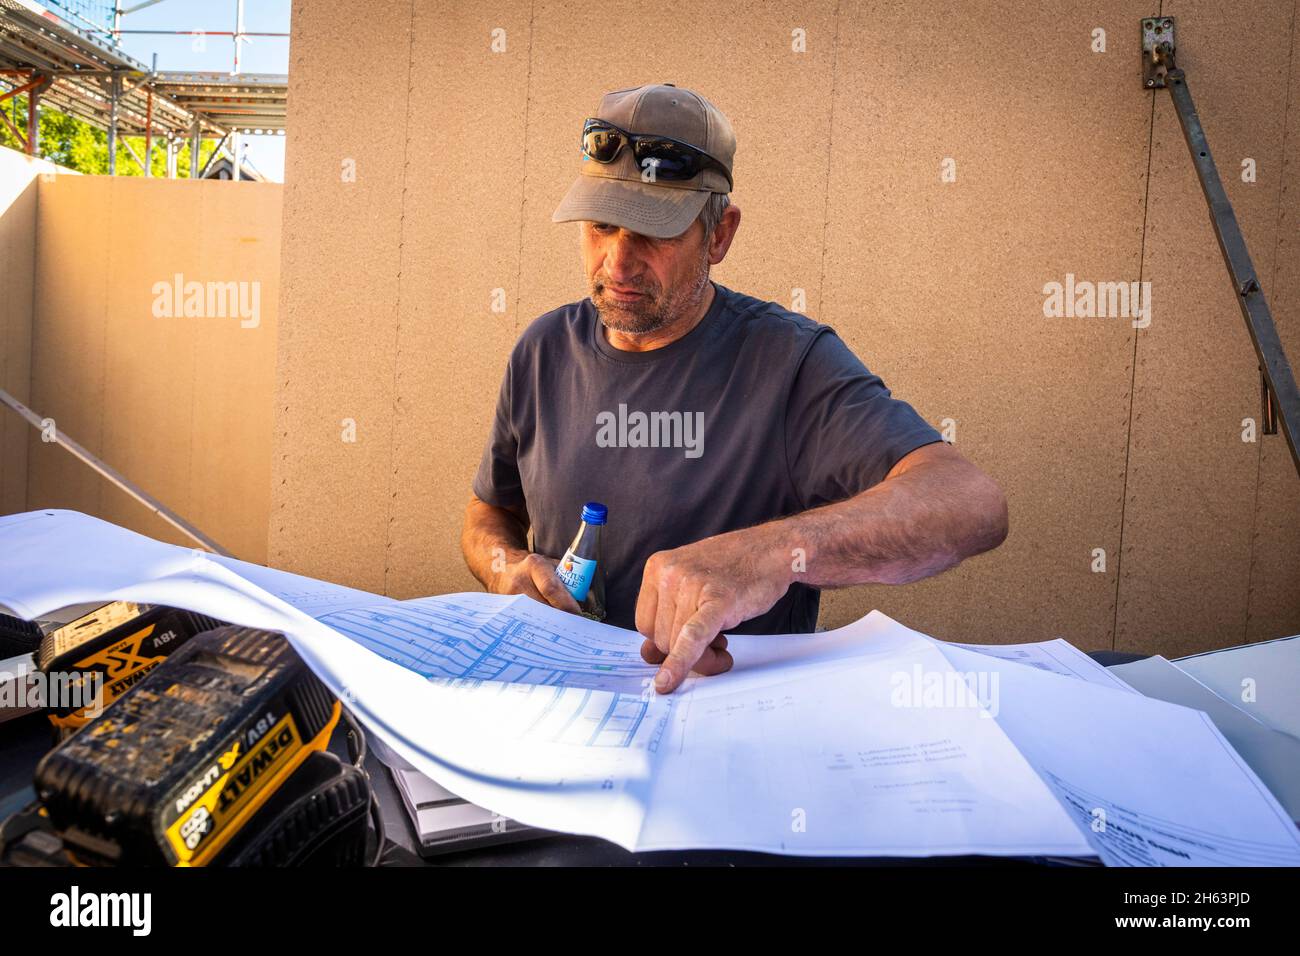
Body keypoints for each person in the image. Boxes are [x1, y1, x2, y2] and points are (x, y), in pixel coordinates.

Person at [462, 83, 1008, 694]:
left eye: (655, 232)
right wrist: (502, 565)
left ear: (719, 234)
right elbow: (491, 510)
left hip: (723, 724)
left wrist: (770, 553)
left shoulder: (788, 362)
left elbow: (969, 503)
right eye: (602, 226)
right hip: (552, 706)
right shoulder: (542, 349)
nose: (617, 263)